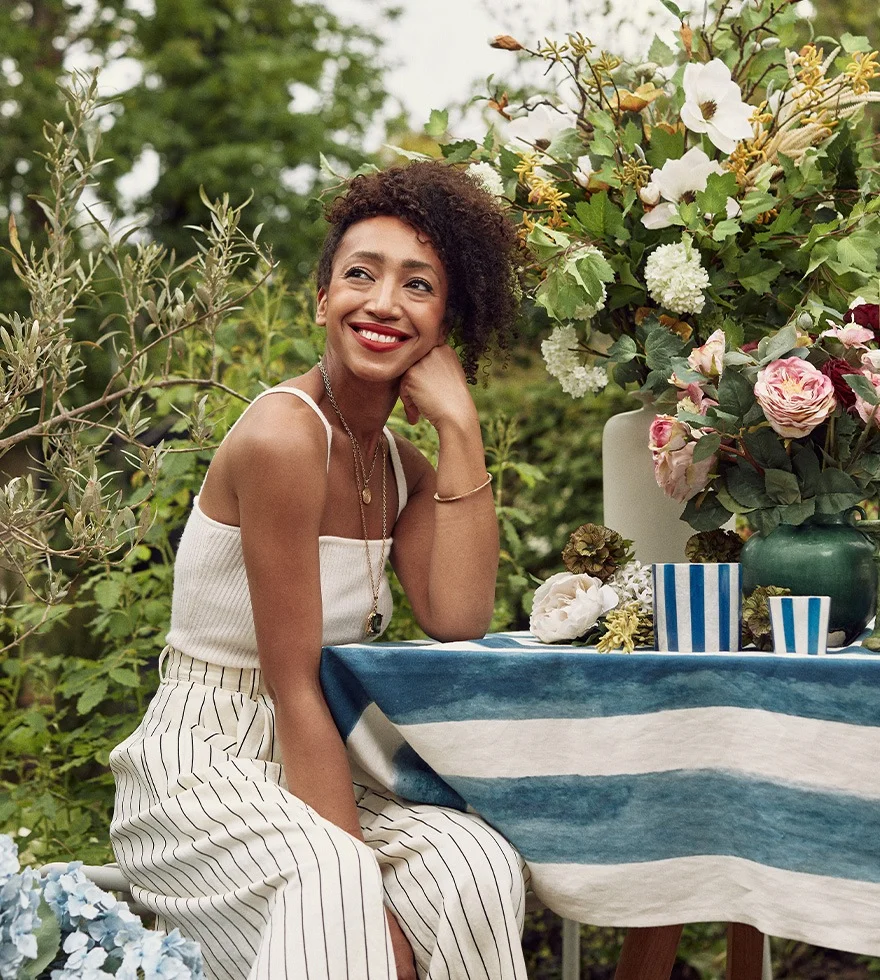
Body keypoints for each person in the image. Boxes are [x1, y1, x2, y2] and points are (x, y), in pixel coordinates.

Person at [109, 160, 530, 980]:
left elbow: (457, 618)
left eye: (418, 285)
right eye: (359, 275)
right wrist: (380, 929)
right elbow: (293, 681)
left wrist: (460, 429)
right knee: (333, 883)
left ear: (448, 320)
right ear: (322, 299)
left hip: (322, 753)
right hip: (204, 760)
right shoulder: (282, 438)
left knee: (476, 867)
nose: (382, 303)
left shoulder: (401, 465)